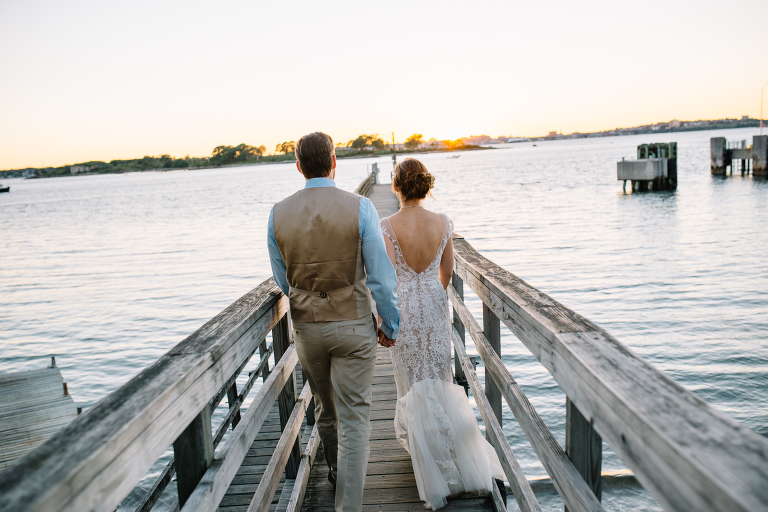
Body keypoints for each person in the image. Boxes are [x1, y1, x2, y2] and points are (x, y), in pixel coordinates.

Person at [267, 132, 400, 512]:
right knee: (355, 416)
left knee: (326, 408)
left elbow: (282, 279)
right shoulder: (360, 207)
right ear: (334, 161)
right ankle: (348, 505)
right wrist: (389, 324)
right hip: (354, 322)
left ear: (298, 166)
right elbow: (380, 275)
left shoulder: (278, 214)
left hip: (308, 328)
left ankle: (336, 473)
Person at [380, 158, 504, 510]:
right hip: (434, 306)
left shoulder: (387, 225)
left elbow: (387, 276)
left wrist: (385, 315)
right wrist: (432, 292)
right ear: (425, 186)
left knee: (410, 380)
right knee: (438, 374)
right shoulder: (443, 222)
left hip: (403, 306)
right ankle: (450, 449)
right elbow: (447, 272)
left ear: (397, 186)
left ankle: (422, 451)